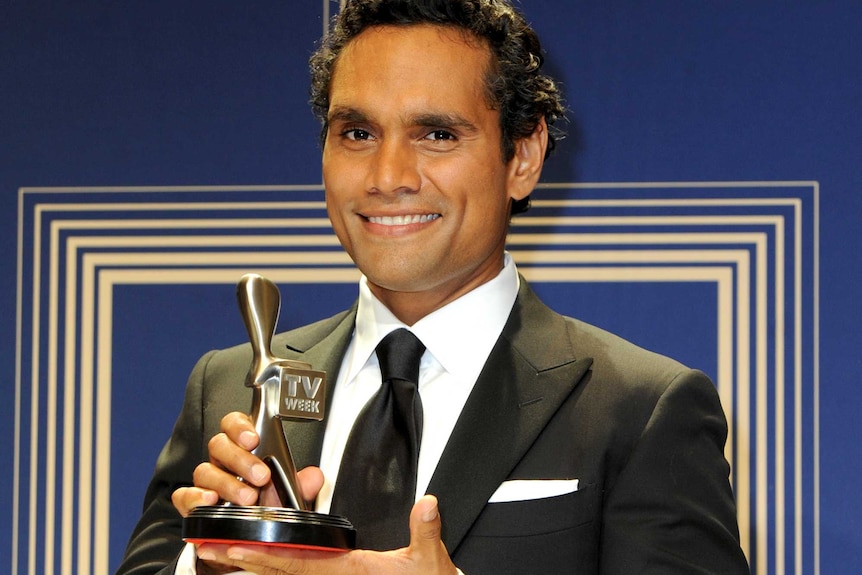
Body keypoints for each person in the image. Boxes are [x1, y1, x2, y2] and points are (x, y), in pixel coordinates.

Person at [117, 1, 750, 574]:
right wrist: (220, 562)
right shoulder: (229, 391)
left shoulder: (641, 410)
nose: (388, 176)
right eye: (358, 134)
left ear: (523, 158)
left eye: (437, 134)